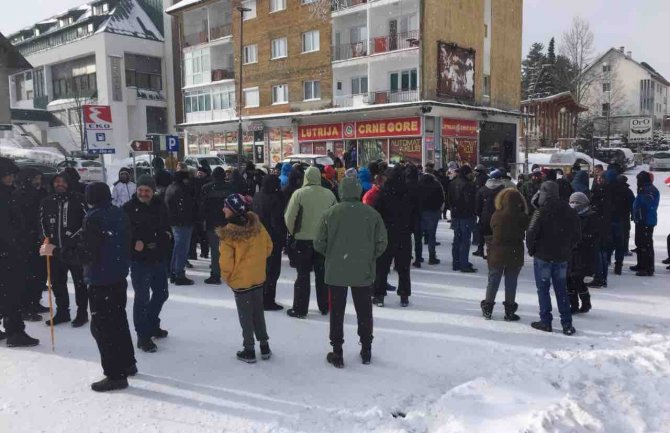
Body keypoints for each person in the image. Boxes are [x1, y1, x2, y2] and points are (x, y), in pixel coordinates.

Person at [40, 182, 136, 392]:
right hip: (118, 276)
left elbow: (85, 254)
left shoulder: (94, 218)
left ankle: (115, 374)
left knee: (103, 328)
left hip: (101, 278)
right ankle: (128, 363)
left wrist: (55, 251)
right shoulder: (118, 213)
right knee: (118, 321)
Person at [314, 177, 387, 368]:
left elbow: (319, 243)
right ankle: (366, 349)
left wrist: (332, 254)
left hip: (336, 270)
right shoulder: (371, 214)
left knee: (336, 312)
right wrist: (369, 256)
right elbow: (382, 243)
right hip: (362, 270)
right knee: (364, 311)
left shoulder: (330, 213)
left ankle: (337, 350)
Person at [217, 193, 273, 363]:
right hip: (257, 277)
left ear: (233, 210)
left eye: (226, 206)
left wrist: (228, 277)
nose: (223, 209)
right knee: (258, 312)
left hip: (241, 282)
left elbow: (226, 262)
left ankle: (249, 349)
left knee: (245, 315)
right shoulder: (257, 226)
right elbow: (269, 247)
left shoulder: (228, 233)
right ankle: (264, 346)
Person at [123, 175, 171, 353]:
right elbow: (122, 234)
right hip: (139, 261)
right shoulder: (128, 208)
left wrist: (166, 238)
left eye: (147, 191)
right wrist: (134, 243)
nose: (143, 193)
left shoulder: (160, 205)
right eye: (141, 190)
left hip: (158, 257)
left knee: (162, 293)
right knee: (142, 298)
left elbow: (166, 226)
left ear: (153, 191)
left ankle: (151, 323)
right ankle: (143, 335)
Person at [526, 181, 581, 336]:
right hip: (562, 256)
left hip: (543, 256)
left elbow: (530, 233)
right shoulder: (570, 211)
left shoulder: (540, 211)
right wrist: (568, 247)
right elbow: (577, 234)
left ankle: (546, 321)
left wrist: (532, 250)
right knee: (561, 290)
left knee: (543, 290)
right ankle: (567, 323)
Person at [284, 166, 337, 318]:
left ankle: (300, 309)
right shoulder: (329, 194)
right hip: (322, 241)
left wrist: (294, 232)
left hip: (302, 241)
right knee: (322, 275)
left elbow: (289, 217)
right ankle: (325, 306)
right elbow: (335, 217)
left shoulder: (298, 194)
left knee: (302, 276)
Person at [39, 172, 89, 327]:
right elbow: (41, 223)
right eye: (57, 182)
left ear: (68, 183)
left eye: (63, 182)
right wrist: (46, 239)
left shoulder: (78, 199)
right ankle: (62, 312)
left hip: (74, 250)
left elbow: (86, 222)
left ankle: (82, 312)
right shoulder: (47, 201)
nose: (60, 184)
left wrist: (74, 239)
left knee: (79, 282)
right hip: (55, 250)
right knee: (58, 282)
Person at [0, 157, 40, 347]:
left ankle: (12, 329)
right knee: (12, 293)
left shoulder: (8, 193)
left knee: (6, 293)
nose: (10, 178)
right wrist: (17, 244)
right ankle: (15, 332)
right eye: (7, 175)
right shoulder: (4, 196)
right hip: (8, 253)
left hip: (8, 251)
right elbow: (7, 228)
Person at [480, 188, 529, 321]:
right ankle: (509, 310)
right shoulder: (522, 216)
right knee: (511, 282)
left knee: (493, 280)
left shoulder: (497, 215)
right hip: (515, 252)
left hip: (497, 252)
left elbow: (491, 227)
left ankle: (488, 307)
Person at [373, 167, 414, 307]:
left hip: (386, 234)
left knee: (382, 267)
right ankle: (404, 295)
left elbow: (376, 215)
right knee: (403, 267)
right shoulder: (408, 194)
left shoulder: (383, 194)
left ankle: (379, 295)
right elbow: (414, 215)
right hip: (404, 234)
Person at [14, 167, 49, 320]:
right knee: (28, 275)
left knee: (40, 273)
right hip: (25, 241)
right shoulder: (19, 195)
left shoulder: (42, 193)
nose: (38, 182)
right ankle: (25, 306)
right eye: (35, 179)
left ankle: (35, 301)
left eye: (39, 179)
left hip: (40, 239)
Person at [252, 174, 287, 311]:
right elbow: (276, 222)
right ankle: (268, 300)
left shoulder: (257, 196)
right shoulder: (275, 199)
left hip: (258, 237)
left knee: (261, 269)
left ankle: (259, 297)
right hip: (272, 239)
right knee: (272, 271)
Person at [199, 167, 234, 284]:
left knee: (215, 250)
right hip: (227, 222)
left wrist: (202, 220)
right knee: (229, 248)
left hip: (212, 223)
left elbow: (202, 207)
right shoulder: (230, 188)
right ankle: (230, 271)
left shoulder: (206, 188)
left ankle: (215, 274)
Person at [566, 192, 598, 314]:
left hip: (583, 254)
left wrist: (581, 239)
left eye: (577, 202)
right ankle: (573, 304)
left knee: (577, 278)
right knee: (568, 279)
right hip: (569, 253)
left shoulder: (591, 216)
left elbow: (594, 236)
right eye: (572, 202)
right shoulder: (568, 216)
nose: (574, 205)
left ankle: (586, 302)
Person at [165, 170, 195, 285]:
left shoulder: (171, 188)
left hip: (175, 222)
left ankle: (173, 272)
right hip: (182, 223)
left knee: (177, 248)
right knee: (182, 249)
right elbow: (184, 208)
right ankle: (179, 274)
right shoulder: (181, 190)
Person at [447, 165, 477, 272]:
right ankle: (464, 263)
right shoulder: (468, 185)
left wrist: (453, 209)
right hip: (466, 216)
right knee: (465, 241)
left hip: (455, 215)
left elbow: (449, 199)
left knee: (457, 239)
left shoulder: (452, 183)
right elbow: (470, 201)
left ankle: (456, 263)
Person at [631, 171, 659, 277]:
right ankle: (641, 264)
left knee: (646, 244)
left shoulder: (650, 189)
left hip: (647, 220)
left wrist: (641, 195)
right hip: (641, 219)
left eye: (639, 179)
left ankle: (648, 268)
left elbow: (647, 203)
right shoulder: (644, 188)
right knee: (640, 243)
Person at [474, 169, 506, 258]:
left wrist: (480, 214)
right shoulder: (503, 190)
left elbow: (477, 206)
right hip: (499, 217)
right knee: (497, 236)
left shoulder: (482, 189)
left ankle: (483, 250)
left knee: (485, 235)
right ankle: (494, 254)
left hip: (485, 216)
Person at [588, 172, 612, 288]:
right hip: (606, 226)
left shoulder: (600, 192)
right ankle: (602, 277)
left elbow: (597, 209)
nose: (598, 180)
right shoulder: (609, 191)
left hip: (600, 226)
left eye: (600, 178)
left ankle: (599, 278)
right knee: (603, 253)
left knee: (599, 253)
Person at [609, 172, 634, 275]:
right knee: (620, 243)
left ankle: (606, 261)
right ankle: (618, 265)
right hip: (623, 219)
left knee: (609, 242)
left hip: (610, 219)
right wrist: (633, 215)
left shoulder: (611, 190)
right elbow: (633, 205)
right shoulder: (628, 191)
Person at [419, 170, 445, 265]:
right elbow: (441, 198)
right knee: (431, 236)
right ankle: (432, 257)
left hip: (421, 212)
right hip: (433, 212)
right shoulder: (436, 185)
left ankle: (419, 257)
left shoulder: (419, 185)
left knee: (419, 236)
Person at [405, 165, 424, 268]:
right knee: (418, 239)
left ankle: (407, 257)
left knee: (406, 239)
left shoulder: (404, 185)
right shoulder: (419, 185)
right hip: (417, 214)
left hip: (406, 215)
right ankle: (418, 258)